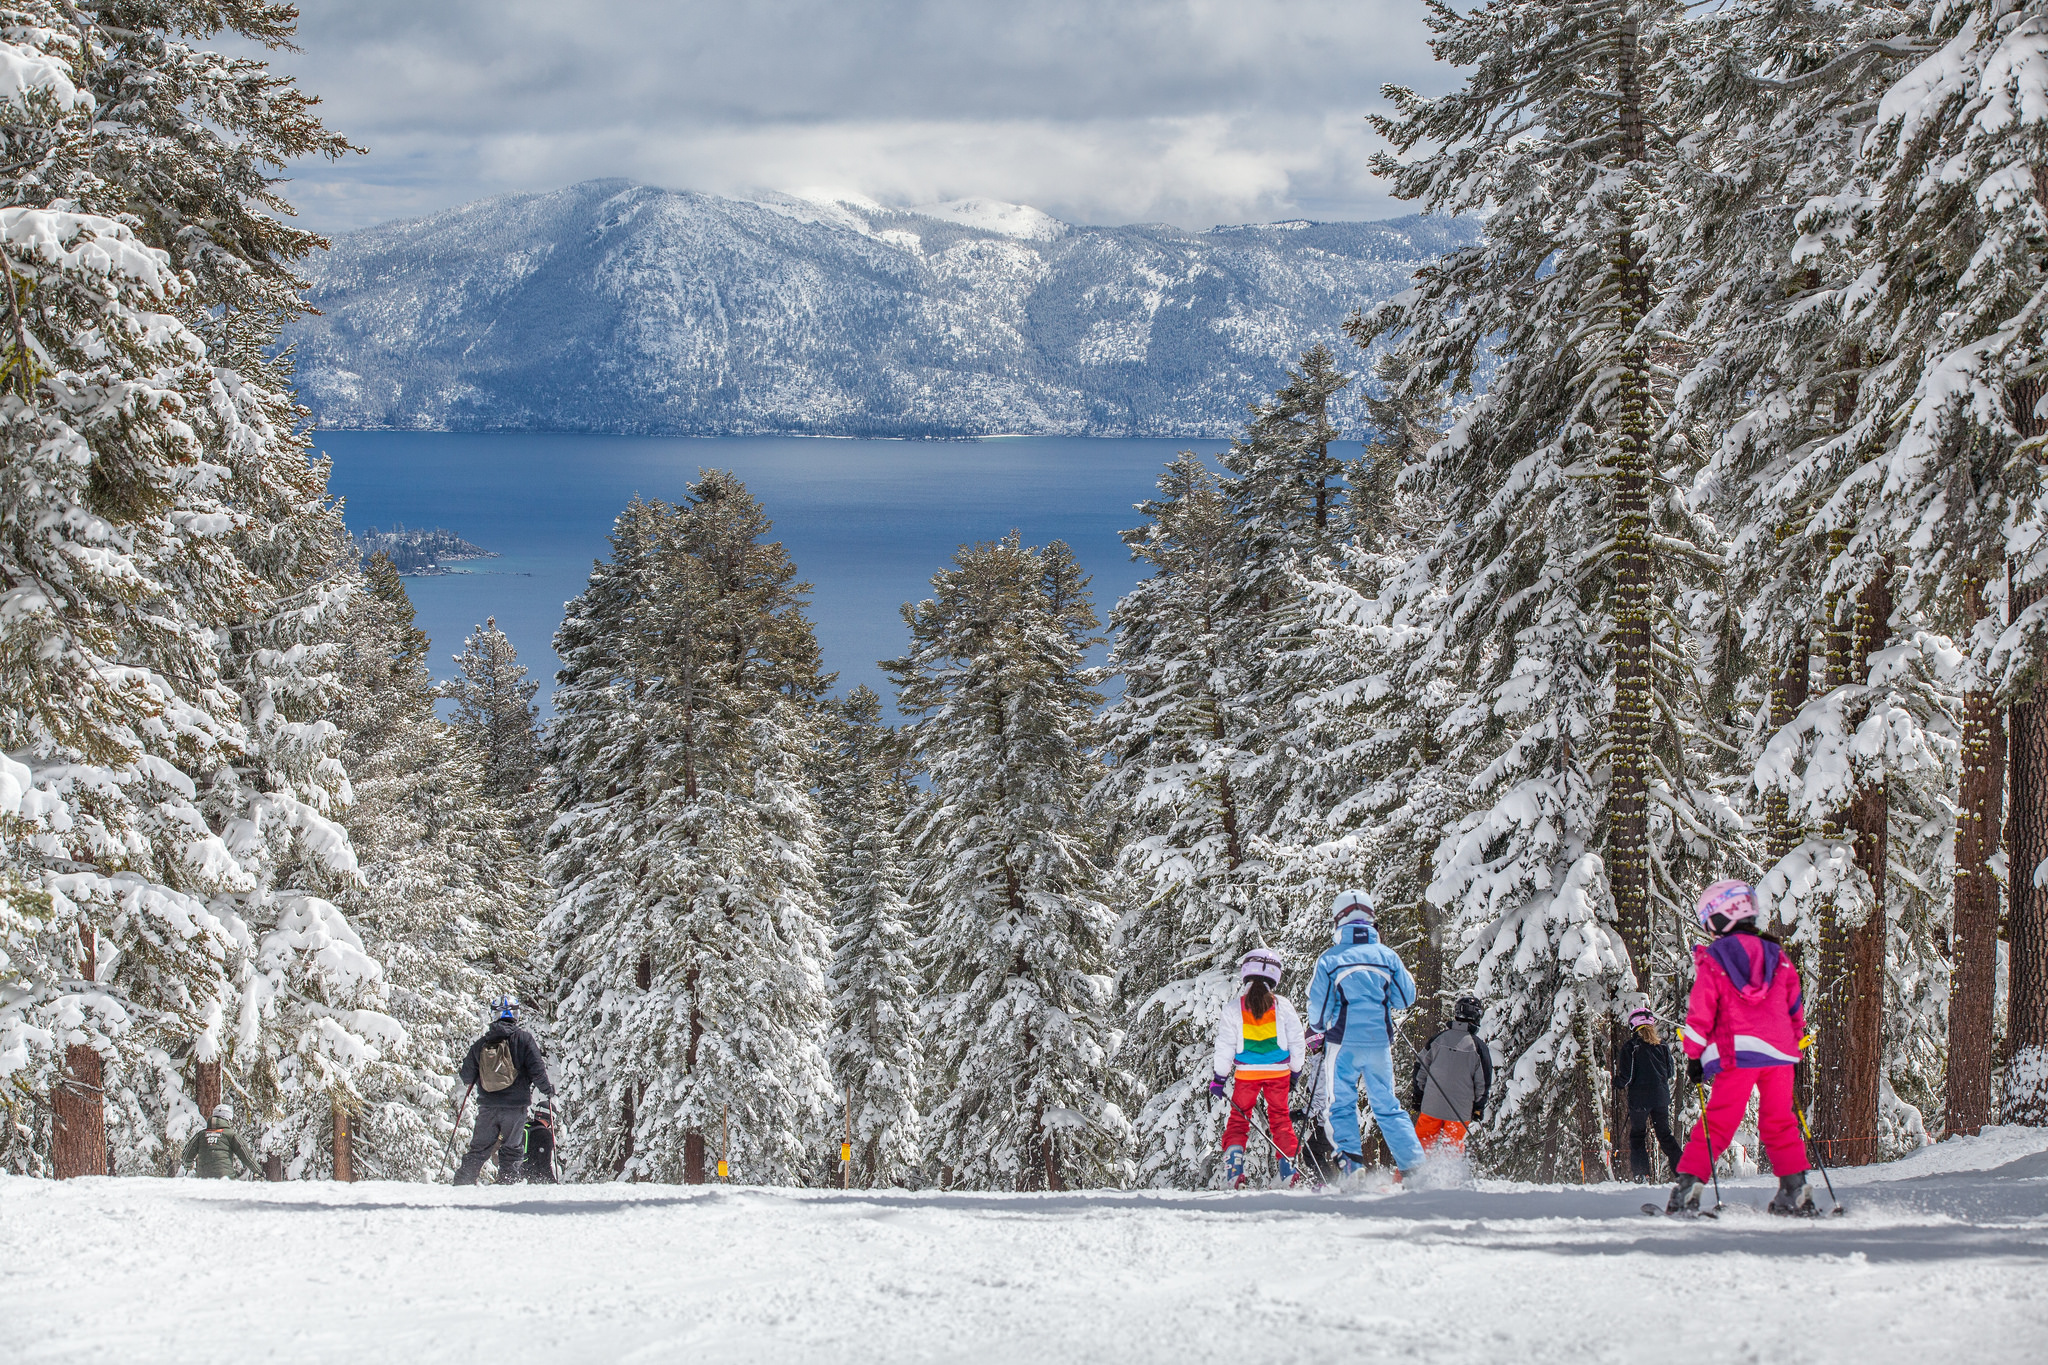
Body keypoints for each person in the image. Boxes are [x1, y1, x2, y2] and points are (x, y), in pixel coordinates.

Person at [1666, 880, 1813, 1216]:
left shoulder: (1715, 958)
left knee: (1718, 1123)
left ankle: (1688, 1189)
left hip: (1738, 1052)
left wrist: (1694, 1054)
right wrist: (1792, 1042)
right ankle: (1796, 1188)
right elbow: (1794, 1008)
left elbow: (1702, 1010)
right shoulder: (1778, 956)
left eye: (1707, 919)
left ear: (1719, 918)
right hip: (1778, 1055)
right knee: (1780, 1122)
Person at [1306, 890, 1426, 1180]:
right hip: (1378, 1045)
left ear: (1338, 921)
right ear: (1371, 920)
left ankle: (1351, 1164)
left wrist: (1320, 1029)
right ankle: (1415, 1169)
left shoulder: (1330, 959)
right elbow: (1405, 997)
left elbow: (1318, 1012)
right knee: (1387, 1106)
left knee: (1341, 1104)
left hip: (1342, 1044)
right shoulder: (1388, 956)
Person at [1207, 947, 1307, 1188]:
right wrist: (1295, 1071)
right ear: (1275, 976)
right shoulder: (1282, 1005)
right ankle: (1288, 1173)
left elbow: (1224, 1048)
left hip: (1246, 1075)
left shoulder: (1234, 1008)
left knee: (1239, 1121)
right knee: (1281, 1120)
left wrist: (1219, 1079)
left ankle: (1234, 1171)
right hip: (1279, 1073)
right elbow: (1297, 1042)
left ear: (1246, 974)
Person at [455, 996, 555, 1185]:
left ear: (494, 1015)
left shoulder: (482, 1044)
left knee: (479, 1150)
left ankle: (461, 1185)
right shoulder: (524, 1040)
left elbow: (466, 1076)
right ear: (515, 1014)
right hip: (515, 1108)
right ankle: (507, 1186)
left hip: (488, 1107)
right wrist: (547, 1090)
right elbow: (537, 1070)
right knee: (512, 1149)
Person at [1411, 995, 1491, 1154]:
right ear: (1476, 1016)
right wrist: (1478, 1107)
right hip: (1459, 1111)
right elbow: (1483, 1082)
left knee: (1420, 1147)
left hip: (1432, 1105)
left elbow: (1421, 1067)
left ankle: (1406, 1178)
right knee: (1451, 1151)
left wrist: (1418, 1095)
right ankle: (1448, 1178)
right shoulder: (1478, 1047)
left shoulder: (1438, 1039)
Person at [1613, 1005, 1682, 1181]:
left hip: (1640, 1100)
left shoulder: (1631, 1047)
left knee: (1638, 1136)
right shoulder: (1663, 1046)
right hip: (1660, 1098)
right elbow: (1670, 1073)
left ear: (1633, 1026)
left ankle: (1641, 1174)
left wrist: (1617, 1082)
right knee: (1665, 1135)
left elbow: (1626, 1077)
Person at [181, 1102, 263, 1180]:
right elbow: (246, 1156)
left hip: (203, 1178)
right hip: (226, 1177)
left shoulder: (201, 1135)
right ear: (228, 1118)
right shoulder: (231, 1135)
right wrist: (258, 1171)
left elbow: (186, 1155)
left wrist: (188, 1165)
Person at [522, 1096, 559, 1184]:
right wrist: (552, 1183)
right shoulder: (544, 1135)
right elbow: (544, 1164)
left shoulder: (525, 1127)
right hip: (533, 1180)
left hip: (520, 1176)